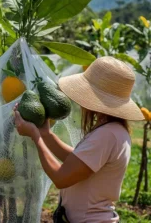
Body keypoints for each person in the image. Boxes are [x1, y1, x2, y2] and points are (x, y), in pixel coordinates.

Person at [13, 56, 144, 223]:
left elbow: (61, 178)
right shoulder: (114, 131)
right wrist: (46, 134)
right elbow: (79, 161)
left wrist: (35, 137)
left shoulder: (107, 135)